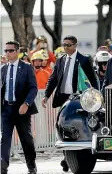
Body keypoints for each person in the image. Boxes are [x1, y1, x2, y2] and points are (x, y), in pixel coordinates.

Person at [41, 35, 99, 172]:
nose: (65, 47)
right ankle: (67, 157)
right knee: (62, 127)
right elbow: (53, 79)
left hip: (78, 99)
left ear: (75, 45)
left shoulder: (84, 59)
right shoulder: (60, 60)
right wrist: (46, 95)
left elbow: (93, 78)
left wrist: (97, 94)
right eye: (64, 45)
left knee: (75, 128)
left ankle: (70, 157)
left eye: (68, 45)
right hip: (63, 99)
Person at [1, 41, 38, 174]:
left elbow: (33, 88)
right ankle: (3, 168)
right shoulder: (3, 69)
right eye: (6, 51)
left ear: (17, 52)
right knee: (4, 139)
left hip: (22, 109)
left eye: (10, 50)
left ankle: (31, 165)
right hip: (6, 109)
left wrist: (26, 103)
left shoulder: (27, 67)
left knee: (26, 139)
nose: (7, 53)